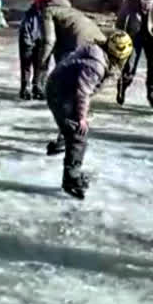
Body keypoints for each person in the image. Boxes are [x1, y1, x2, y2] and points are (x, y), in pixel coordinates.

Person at [45, 31, 133, 200]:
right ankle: (71, 179)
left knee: (71, 127)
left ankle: (61, 142)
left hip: (62, 88)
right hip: (61, 93)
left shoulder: (97, 50)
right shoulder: (96, 65)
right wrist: (81, 118)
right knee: (79, 134)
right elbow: (82, 92)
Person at [19, 0, 72, 100]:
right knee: (26, 66)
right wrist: (28, 43)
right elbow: (25, 29)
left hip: (43, 42)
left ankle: (38, 87)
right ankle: (25, 88)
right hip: (29, 41)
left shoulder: (51, 9)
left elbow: (66, 4)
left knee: (43, 65)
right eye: (43, 0)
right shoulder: (30, 13)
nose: (46, 2)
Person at [37, 0, 106, 75]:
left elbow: (49, 41)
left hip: (79, 45)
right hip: (99, 40)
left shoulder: (48, 11)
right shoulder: (73, 11)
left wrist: (42, 63)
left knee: (66, 78)